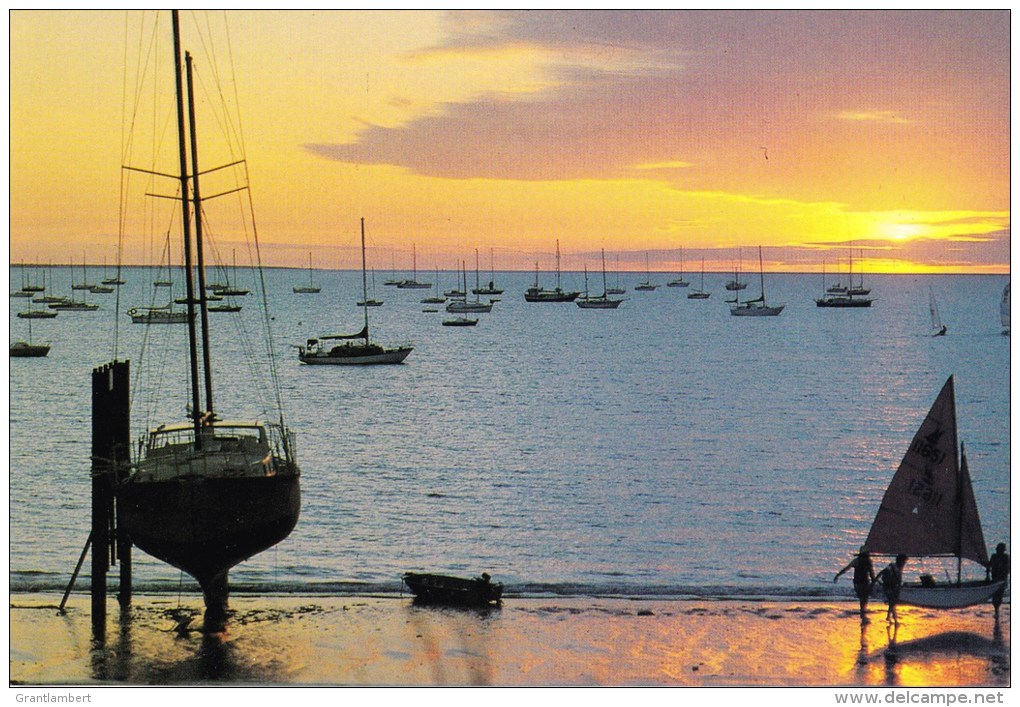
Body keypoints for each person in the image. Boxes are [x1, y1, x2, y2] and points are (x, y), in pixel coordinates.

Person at [835, 546, 877, 622]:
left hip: (857, 583)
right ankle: (863, 612)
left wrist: (838, 575)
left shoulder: (856, 561)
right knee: (864, 598)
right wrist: (874, 582)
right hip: (864, 582)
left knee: (862, 598)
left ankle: (862, 612)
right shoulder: (868, 562)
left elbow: (846, 569)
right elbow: (871, 574)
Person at [876, 554, 908, 625]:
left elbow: (899, 579)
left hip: (894, 587)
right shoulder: (892, 567)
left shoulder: (898, 567)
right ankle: (895, 620)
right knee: (892, 602)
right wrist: (875, 581)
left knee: (892, 603)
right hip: (889, 587)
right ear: (900, 561)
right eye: (904, 561)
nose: (904, 563)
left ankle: (889, 617)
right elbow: (882, 572)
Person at [987, 543, 1010, 616]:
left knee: (999, 594)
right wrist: (987, 577)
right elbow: (989, 566)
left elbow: (1008, 568)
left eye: (1000, 550)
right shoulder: (994, 556)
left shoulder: (1006, 557)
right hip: (995, 578)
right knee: (995, 595)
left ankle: (997, 610)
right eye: (998, 550)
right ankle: (996, 610)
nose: (999, 551)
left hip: (1002, 579)